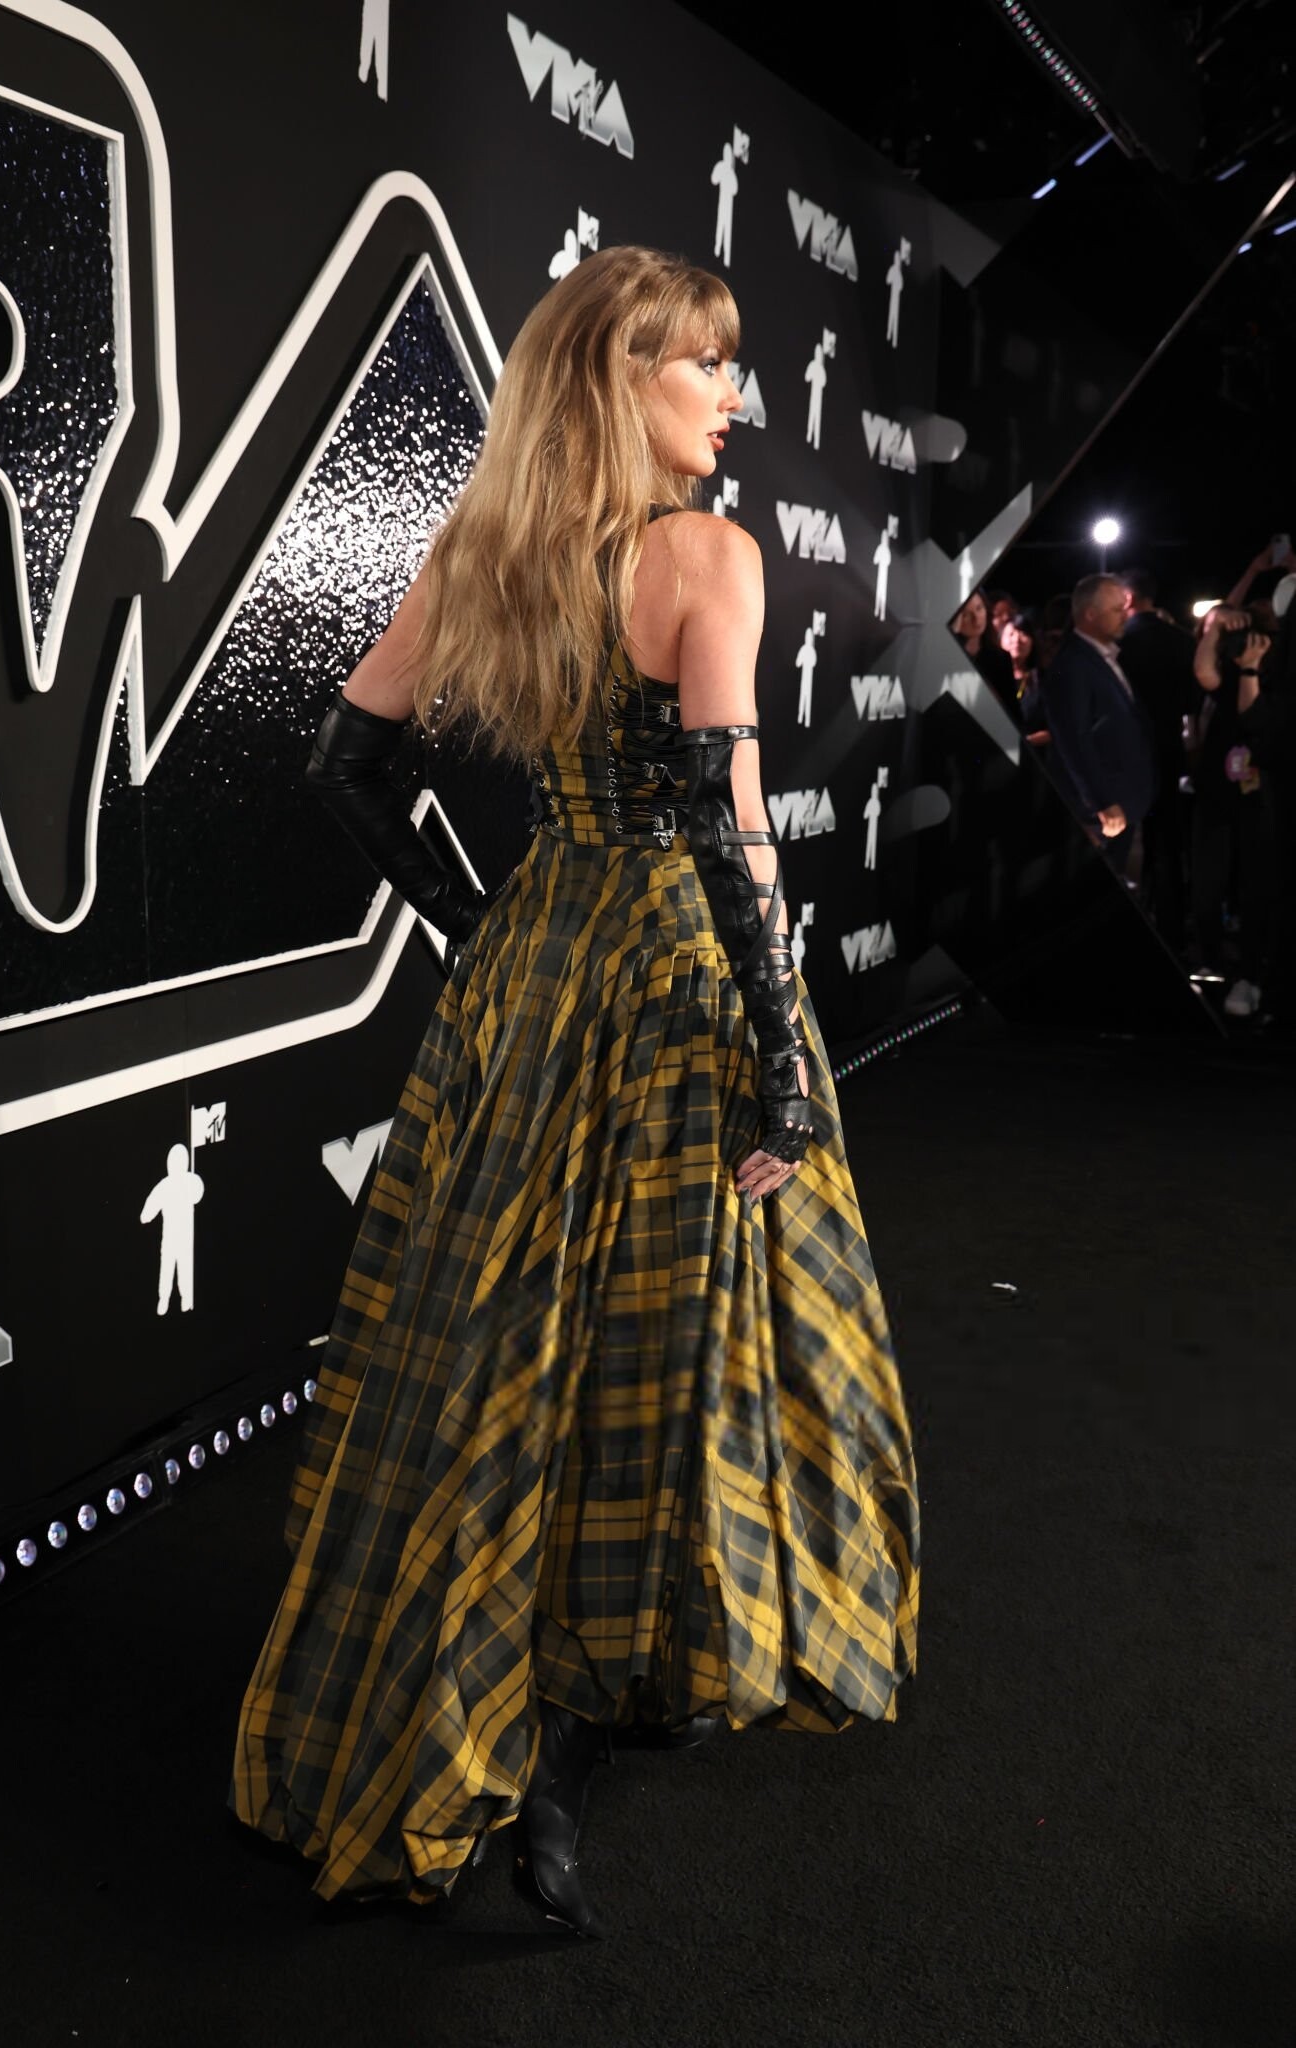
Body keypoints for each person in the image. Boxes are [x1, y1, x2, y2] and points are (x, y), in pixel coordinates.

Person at [230, 247, 920, 1938]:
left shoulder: (491, 550)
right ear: (623, 376)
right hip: (676, 978)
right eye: (706, 364)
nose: (736, 396)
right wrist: (782, 1057)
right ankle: (598, 1693)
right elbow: (731, 830)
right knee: (664, 1329)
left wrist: (481, 921)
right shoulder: (707, 557)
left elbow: (346, 766)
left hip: (538, 964)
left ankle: (512, 1687)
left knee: (507, 1334)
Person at [1190, 607, 1283, 1015]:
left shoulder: (1272, 669)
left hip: (1260, 794)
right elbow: (1203, 673)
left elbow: (1255, 715)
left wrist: (1252, 666)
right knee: (1208, 882)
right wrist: (1217, 630)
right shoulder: (1224, 669)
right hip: (1217, 791)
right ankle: (1210, 961)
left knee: (1255, 885)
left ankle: (1249, 973)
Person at [1039, 574, 1157, 876]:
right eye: (1117, 610)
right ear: (1090, 614)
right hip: (1100, 813)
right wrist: (1102, 801)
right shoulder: (1073, 665)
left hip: (1119, 804)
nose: (1125, 616)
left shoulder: (1103, 657)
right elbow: (1074, 740)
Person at [1115, 568, 1199, 955]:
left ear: (1127, 598)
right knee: (1166, 847)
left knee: (1120, 846)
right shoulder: (1180, 640)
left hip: (1125, 756)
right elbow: (1193, 701)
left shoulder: (1119, 644)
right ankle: (1171, 934)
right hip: (1168, 751)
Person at [949, 588, 1016, 701]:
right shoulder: (948, 657)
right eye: (966, 614)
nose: (976, 619)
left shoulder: (1001, 658)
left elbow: (1011, 705)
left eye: (979, 608)